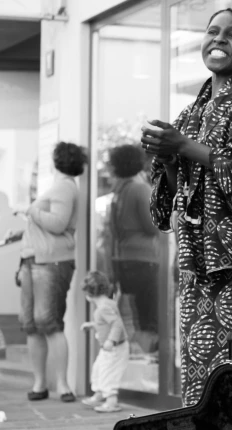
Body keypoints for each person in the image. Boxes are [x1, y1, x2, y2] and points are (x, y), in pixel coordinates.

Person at [141, 8, 232, 406]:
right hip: (196, 270)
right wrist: (171, 160)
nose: (220, 40)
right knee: (200, 377)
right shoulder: (190, 113)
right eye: (212, 32)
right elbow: (175, 203)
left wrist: (183, 147)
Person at [17, 141, 86, 403]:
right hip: (35, 260)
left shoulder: (63, 188)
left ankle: (63, 385)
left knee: (49, 323)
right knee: (32, 325)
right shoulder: (65, 187)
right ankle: (41, 384)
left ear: (56, 160)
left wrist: (31, 210)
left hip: (51, 263)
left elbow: (57, 224)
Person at [104, 144, 161, 354]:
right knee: (150, 317)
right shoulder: (140, 189)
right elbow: (153, 226)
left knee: (135, 315)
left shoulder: (120, 192)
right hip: (145, 260)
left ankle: (138, 354)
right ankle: (149, 356)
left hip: (124, 260)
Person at [80, 270, 128, 413]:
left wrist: (111, 341)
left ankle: (111, 402)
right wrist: (93, 325)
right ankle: (99, 395)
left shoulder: (102, 309)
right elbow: (106, 324)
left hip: (114, 348)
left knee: (108, 373)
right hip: (111, 348)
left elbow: (117, 324)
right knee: (98, 369)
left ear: (88, 294)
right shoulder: (108, 303)